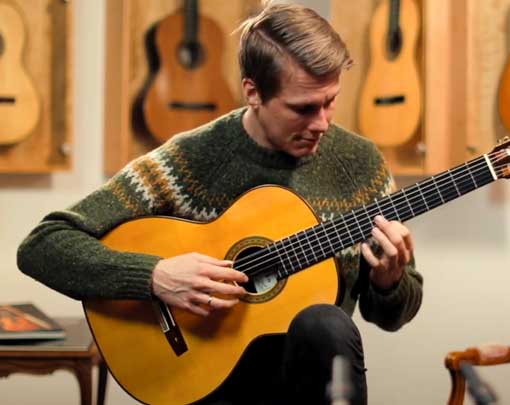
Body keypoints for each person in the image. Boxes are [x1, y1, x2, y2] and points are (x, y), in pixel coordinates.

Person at [16, 3, 423, 405]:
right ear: (253, 92)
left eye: (330, 101)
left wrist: (388, 282)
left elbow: (392, 317)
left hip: (310, 384)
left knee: (326, 322)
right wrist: (155, 276)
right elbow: (44, 244)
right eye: (303, 108)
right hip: (207, 381)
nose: (322, 122)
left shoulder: (361, 165)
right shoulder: (189, 161)